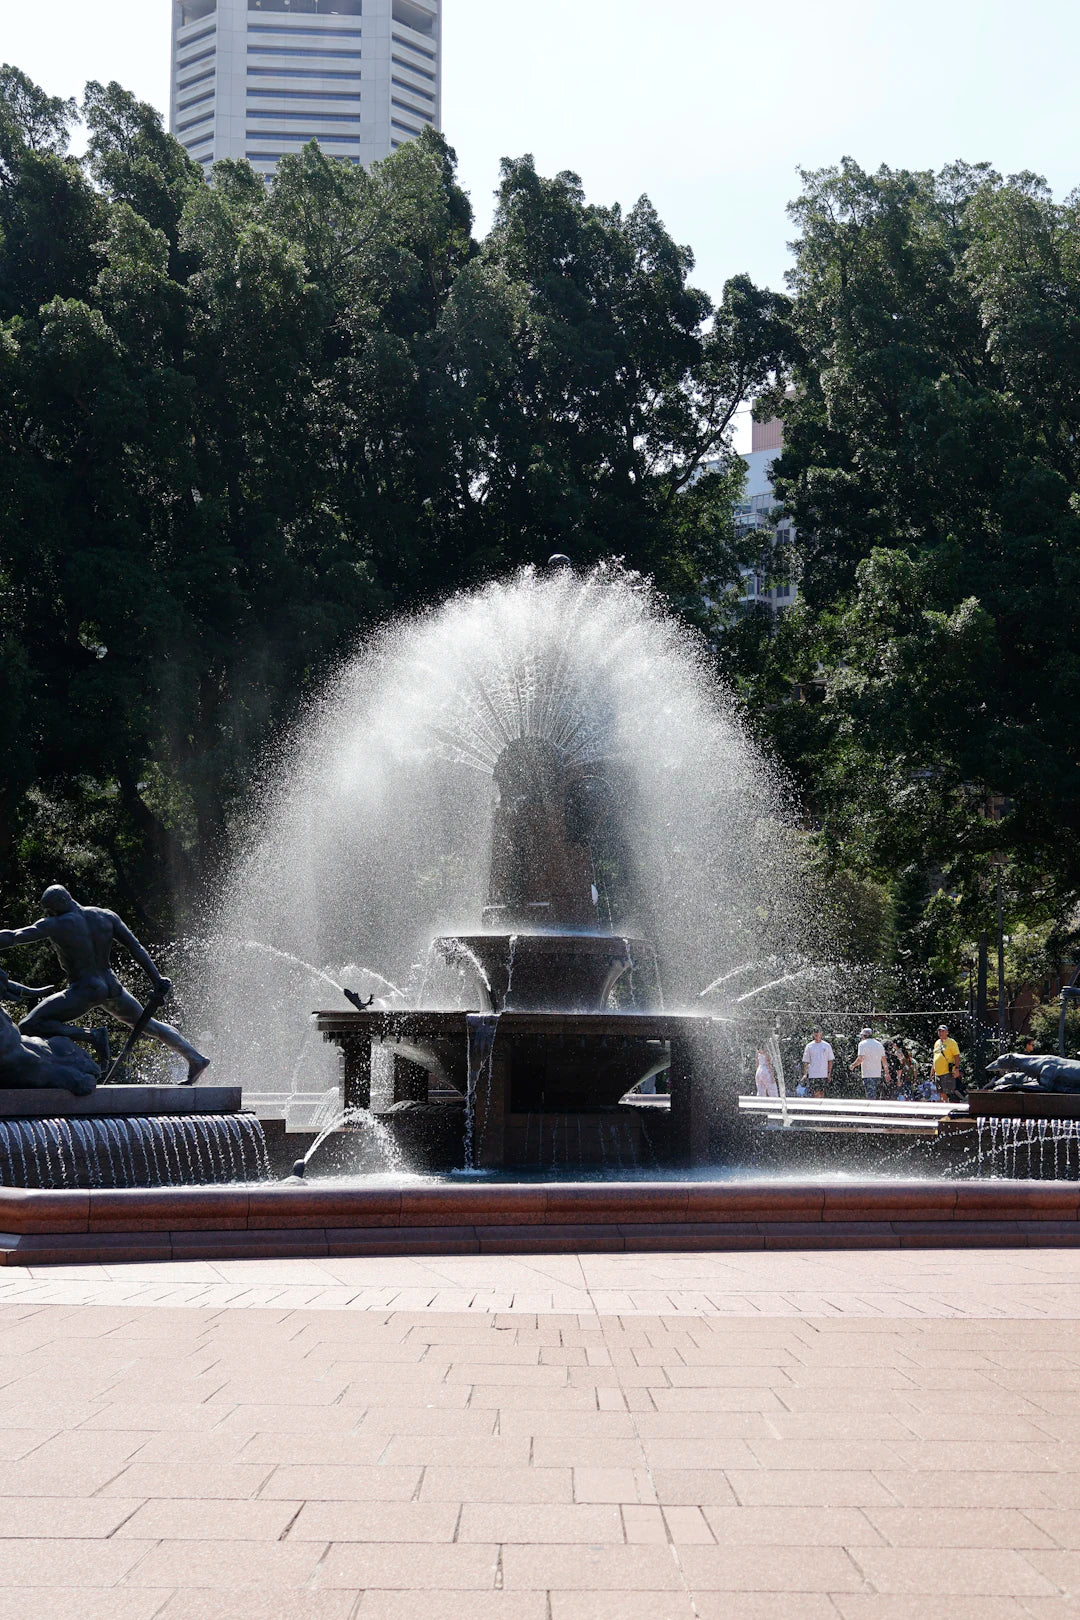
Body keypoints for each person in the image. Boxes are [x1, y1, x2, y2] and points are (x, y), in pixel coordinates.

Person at [0, 886, 209, 1083]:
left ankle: (91, 1035)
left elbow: (14, 936)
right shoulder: (106, 916)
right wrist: (157, 979)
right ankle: (195, 1058)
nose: (49, 913)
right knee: (150, 1025)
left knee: (29, 1025)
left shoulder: (56, 924)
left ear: (62, 902)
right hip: (112, 986)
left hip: (85, 988)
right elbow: (135, 948)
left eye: (50, 909)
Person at [850, 1026, 890, 1100]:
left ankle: (871, 1110)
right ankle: (877, 1110)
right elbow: (884, 1060)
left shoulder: (862, 1044)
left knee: (870, 1096)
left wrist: (853, 1065)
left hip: (868, 1074)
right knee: (876, 1095)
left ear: (863, 1036)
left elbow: (860, 1059)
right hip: (877, 1074)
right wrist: (886, 1073)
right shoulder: (879, 1044)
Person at [933, 1024, 963, 1100]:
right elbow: (935, 1058)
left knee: (949, 1093)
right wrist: (932, 1071)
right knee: (941, 1093)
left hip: (947, 1072)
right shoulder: (937, 1043)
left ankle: (952, 1108)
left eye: (943, 1031)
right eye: (939, 1031)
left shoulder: (951, 1042)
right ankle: (944, 1107)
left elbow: (956, 1056)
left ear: (947, 1032)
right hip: (938, 1073)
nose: (940, 1033)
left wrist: (957, 1069)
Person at [801, 1027, 835, 1094]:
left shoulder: (827, 1045)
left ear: (821, 1033)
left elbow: (830, 1061)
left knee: (822, 1093)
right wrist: (805, 1074)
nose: (816, 1034)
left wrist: (829, 1073)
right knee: (814, 1093)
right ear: (813, 1034)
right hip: (813, 1074)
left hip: (823, 1074)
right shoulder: (809, 1046)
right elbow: (806, 1061)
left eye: (818, 1032)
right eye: (815, 1032)